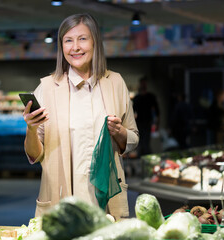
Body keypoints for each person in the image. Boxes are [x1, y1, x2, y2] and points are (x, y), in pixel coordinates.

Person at [23, 13, 139, 220]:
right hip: (62, 199)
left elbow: (133, 138)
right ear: (61, 47)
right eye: (68, 40)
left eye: (82, 39)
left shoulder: (115, 82)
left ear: (95, 42)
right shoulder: (47, 88)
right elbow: (34, 155)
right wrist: (31, 129)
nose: (75, 47)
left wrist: (120, 133)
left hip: (105, 199)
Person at [132, 76, 159, 156]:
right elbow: (133, 112)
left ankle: (146, 158)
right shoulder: (137, 98)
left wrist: (157, 123)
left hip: (148, 122)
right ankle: (141, 158)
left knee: (146, 142)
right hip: (139, 122)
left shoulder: (151, 97)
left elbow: (157, 111)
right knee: (140, 142)